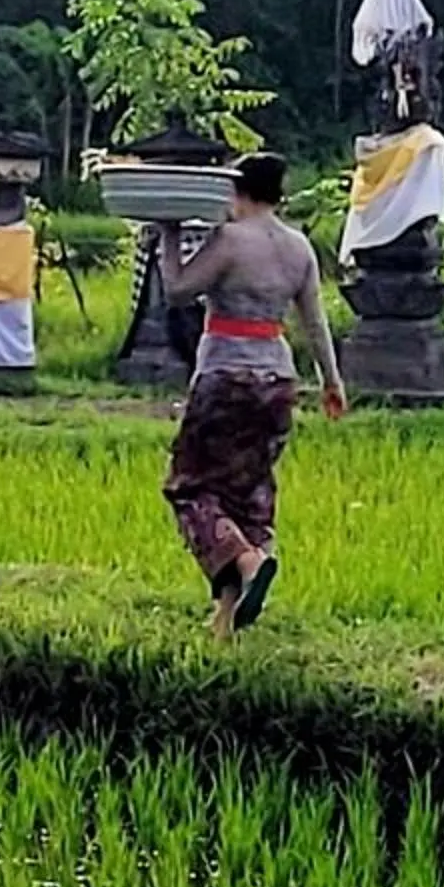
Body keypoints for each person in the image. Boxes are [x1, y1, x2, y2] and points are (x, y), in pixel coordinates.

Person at [152, 151, 347, 640]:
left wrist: (168, 230)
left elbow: (177, 289)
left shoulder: (231, 240)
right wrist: (332, 382)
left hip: (226, 375)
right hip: (279, 380)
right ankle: (225, 621)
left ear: (236, 192)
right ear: (279, 195)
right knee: (249, 494)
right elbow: (315, 324)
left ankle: (248, 559)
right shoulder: (298, 247)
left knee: (191, 487)